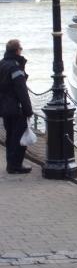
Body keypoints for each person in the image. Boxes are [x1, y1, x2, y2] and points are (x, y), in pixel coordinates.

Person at [0, 39, 34, 174]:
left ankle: (11, 163)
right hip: (16, 107)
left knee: (10, 136)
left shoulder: (2, 64)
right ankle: (15, 166)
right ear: (17, 50)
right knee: (18, 137)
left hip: (4, 108)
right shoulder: (14, 67)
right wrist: (28, 109)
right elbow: (21, 90)